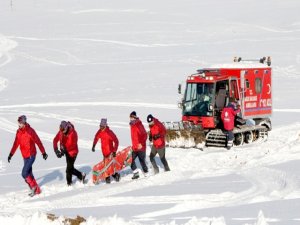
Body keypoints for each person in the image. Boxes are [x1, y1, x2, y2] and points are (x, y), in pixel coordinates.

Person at [7, 115, 48, 197]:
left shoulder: (30, 131)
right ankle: (37, 190)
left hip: (31, 155)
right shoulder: (18, 132)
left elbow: (38, 141)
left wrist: (43, 152)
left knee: (24, 173)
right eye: (18, 122)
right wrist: (11, 154)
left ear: (23, 122)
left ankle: (33, 187)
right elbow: (16, 144)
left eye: (20, 122)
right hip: (25, 155)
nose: (18, 124)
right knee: (29, 172)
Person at [53, 121, 86, 186]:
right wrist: (56, 150)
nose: (62, 132)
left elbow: (72, 145)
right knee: (70, 168)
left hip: (73, 152)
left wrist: (63, 151)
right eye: (61, 130)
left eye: (63, 130)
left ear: (66, 128)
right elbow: (55, 140)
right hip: (66, 151)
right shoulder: (61, 131)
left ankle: (69, 184)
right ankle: (81, 175)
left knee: (68, 170)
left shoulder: (73, 133)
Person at [92, 118, 120, 183]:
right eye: (100, 126)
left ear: (105, 126)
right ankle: (112, 176)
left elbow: (116, 141)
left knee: (108, 166)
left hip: (110, 152)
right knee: (107, 166)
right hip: (104, 152)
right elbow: (96, 137)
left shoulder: (109, 133)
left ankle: (112, 176)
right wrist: (93, 145)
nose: (100, 128)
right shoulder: (99, 131)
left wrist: (114, 151)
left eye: (102, 126)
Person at [129, 111, 148, 179]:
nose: (130, 118)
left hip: (141, 147)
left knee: (142, 161)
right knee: (130, 160)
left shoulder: (138, 125)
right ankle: (136, 173)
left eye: (131, 117)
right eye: (130, 117)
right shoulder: (132, 125)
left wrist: (141, 144)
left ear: (134, 117)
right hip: (135, 147)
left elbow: (145, 135)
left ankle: (146, 173)